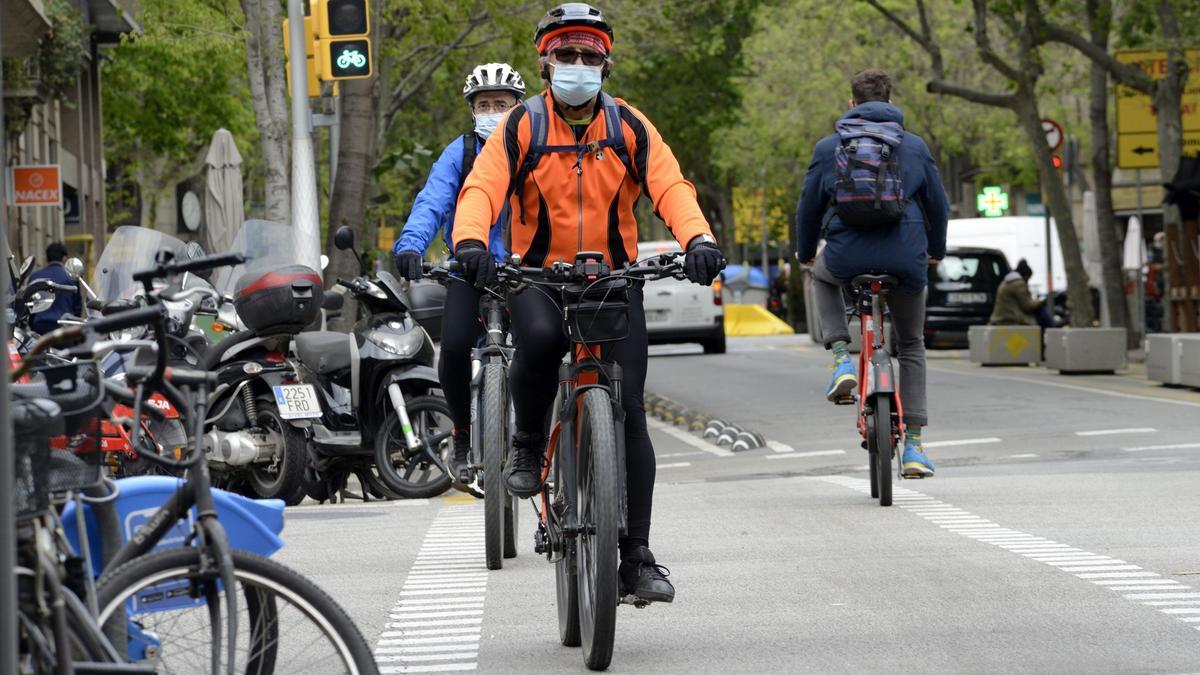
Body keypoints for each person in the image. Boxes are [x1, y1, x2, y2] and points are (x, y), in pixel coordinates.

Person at [450, 3, 724, 603]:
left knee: (629, 411)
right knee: (543, 342)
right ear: (546, 62)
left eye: (590, 56)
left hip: (613, 278)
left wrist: (697, 238)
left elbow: (671, 187)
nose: (579, 65)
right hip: (537, 276)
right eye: (566, 55)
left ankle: (638, 558)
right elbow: (482, 190)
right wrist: (471, 241)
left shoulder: (628, 126)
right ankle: (527, 442)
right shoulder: (519, 126)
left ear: (606, 63)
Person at [796, 68, 948, 479]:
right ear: (891, 102)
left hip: (847, 256)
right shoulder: (914, 147)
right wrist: (934, 251)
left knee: (823, 277)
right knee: (912, 344)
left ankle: (843, 360)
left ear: (851, 104)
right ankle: (914, 446)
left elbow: (808, 207)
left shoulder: (829, 147)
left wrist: (806, 254)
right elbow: (938, 205)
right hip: (906, 259)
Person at [392, 63, 526, 483]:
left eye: (501, 104)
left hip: (526, 269)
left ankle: (533, 437)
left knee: (540, 351)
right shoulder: (461, 152)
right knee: (451, 348)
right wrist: (411, 245)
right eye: (484, 104)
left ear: (518, 107)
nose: (492, 111)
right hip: (468, 268)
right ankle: (464, 436)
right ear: (472, 111)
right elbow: (431, 202)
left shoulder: (536, 146)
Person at [28, 242, 81, 335]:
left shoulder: (34, 277)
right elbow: (77, 306)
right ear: (64, 258)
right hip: (64, 327)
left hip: (40, 326)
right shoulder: (70, 277)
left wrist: (33, 325)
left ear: (46, 257)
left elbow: (30, 305)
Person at [989, 258, 1048, 326]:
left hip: (1000, 318)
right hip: (1009, 319)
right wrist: (1040, 302)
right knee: (1041, 313)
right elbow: (1027, 306)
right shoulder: (1019, 284)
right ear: (1026, 276)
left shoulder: (1006, 282)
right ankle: (1051, 330)